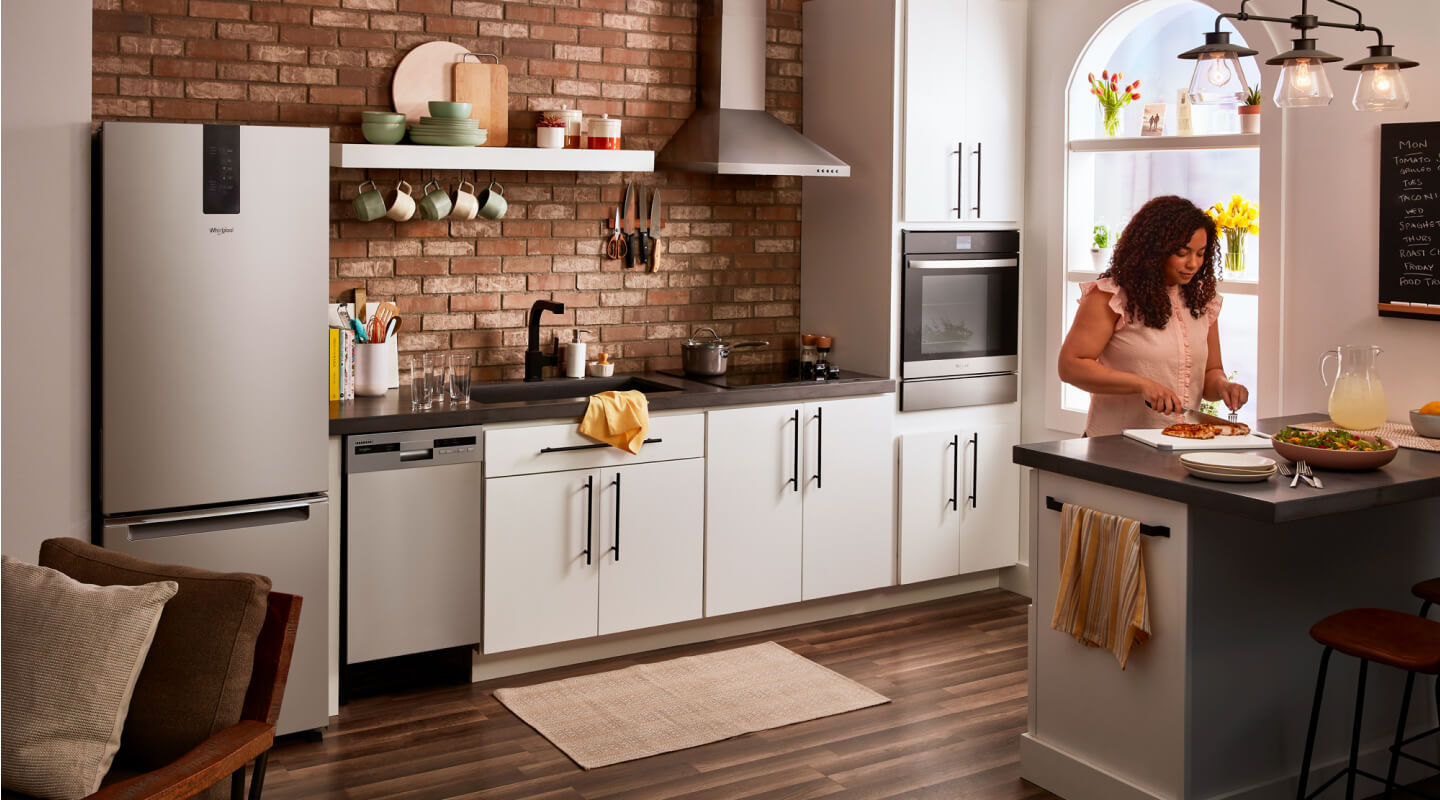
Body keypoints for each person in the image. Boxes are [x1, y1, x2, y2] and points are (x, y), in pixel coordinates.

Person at [1058, 195, 1249, 436]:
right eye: (1182, 253)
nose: (1193, 264)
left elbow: (1210, 374)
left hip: (1182, 446)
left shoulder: (1203, 301)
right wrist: (1141, 384)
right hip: (1115, 446)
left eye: (1200, 253)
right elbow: (1071, 366)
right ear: (1153, 251)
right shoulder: (1111, 297)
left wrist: (1224, 386)